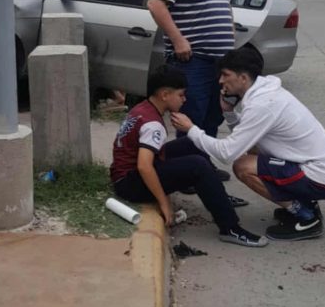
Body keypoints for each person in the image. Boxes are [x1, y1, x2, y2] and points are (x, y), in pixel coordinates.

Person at [171, 48, 325, 241]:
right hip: (322, 169)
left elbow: (226, 153)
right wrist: (228, 112)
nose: (220, 81)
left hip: (321, 177)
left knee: (242, 166)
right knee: (251, 153)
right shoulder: (265, 92)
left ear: (243, 78)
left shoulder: (262, 105)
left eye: (226, 75)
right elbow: (246, 140)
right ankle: (305, 203)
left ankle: (306, 216)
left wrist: (191, 129)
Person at [109, 64, 267, 248]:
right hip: (130, 184)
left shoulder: (143, 108)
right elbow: (144, 166)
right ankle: (230, 228)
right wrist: (164, 202)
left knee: (194, 141)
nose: (184, 100)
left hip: (126, 175)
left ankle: (218, 196)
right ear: (165, 95)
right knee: (197, 166)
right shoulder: (153, 124)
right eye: (181, 95)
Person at [147, 0, 234, 180]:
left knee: (211, 118)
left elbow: (225, 11)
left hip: (218, 64)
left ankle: (202, 166)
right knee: (190, 117)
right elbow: (156, 3)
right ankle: (187, 172)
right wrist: (178, 39)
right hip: (192, 62)